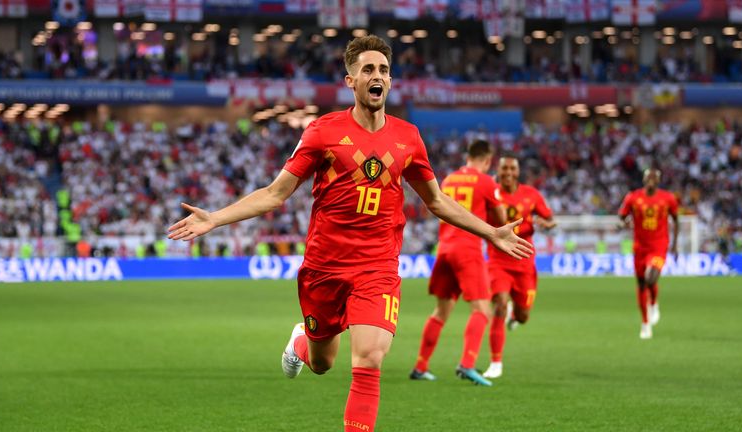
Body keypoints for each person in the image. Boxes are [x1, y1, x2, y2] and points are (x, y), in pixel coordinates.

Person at [167, 35, 533, 432]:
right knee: (324, 363)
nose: (377, 76)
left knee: (370, 358)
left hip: (377, 265)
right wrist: (215, 218)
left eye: (384, 70)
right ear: (351, 81)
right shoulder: (323, 132)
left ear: (390, 81)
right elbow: (275, 194)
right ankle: (302, 342)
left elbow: (438, 201)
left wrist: (491, 233)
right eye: (368, 70)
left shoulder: (408, 138)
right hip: (325, 266)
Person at [410, 140, 505, 387]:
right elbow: (501, 219)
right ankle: (468, 363)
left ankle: (421, 366)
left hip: (445, 249)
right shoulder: (486, 182)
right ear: (487, 160)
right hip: (468, 250)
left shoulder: (449, 179)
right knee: (482, 310)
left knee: (441, 312)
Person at [483, 153, 555, 379]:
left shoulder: (531, 195)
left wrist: (546, 224)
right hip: (498, 261)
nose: (508, 173)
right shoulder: (490, 192)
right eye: (504, 169)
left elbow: (550, 219)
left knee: (523, 316)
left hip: (524, 262)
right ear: (499, 170)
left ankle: (516, 315)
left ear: (518, 171)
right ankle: (496, 362)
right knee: (500, 306)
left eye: (512, 169)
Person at [618, 168, 678, 340]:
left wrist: (674, 245)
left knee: (651, 277)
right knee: (642, 284)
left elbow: (676, 219)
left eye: (654, 177)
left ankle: (653, 302)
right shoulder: (633, 197)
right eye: (648, 177)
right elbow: (622, 216)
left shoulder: (668, 198)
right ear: (643, 180)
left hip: (659, 245)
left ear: (658, 181)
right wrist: (623, 223)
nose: (651, 180)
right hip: (640, 247)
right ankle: (645, 324)